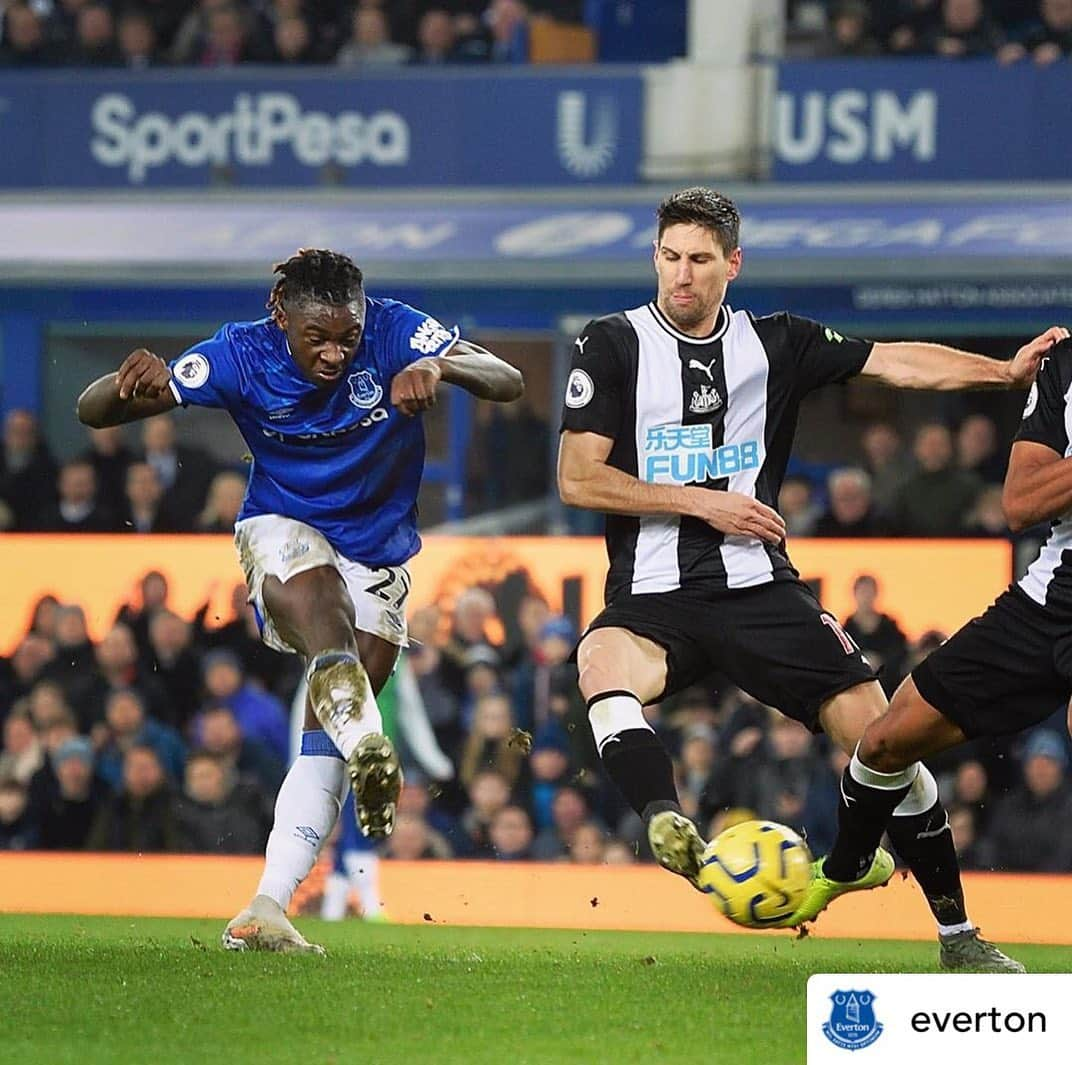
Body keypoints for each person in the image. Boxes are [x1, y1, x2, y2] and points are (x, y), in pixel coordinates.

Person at [557, 186, 1064, 970]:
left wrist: (1003, 371)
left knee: (882, 738)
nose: (680, 276)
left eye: (697, 260)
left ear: (734, 262)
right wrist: (703, 503)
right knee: (600, 664)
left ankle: (958, 933)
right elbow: (578, 478)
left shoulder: (779, 342)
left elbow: (894, 362)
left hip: (761, 591)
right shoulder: (612, 344)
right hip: (653, 597)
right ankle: (666, 818)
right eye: (668, 257)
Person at [77, 246, 523, 953]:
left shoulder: (396, 328)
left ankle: (267, 906)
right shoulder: (239, 354)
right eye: (316, 337)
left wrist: (443, 364)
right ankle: (371, 740)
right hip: (283, 527)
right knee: (328, 631)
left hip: (379, 553)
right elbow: (92, 411)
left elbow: (508, 379)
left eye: (347, 336)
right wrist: (130, 379)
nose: (335, 353)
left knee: (328, 742)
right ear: (278, 315)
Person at [816, 337, 1072, 960]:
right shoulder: (1065, 366)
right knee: (884, 741)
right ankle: (855, 871)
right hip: (1050, 602)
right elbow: (1021, 502)